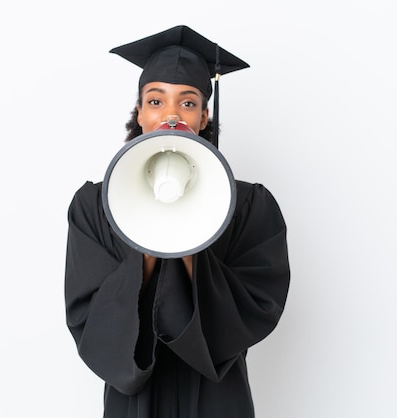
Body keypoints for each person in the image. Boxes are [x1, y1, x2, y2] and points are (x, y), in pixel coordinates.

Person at [64, 25, 290, 418]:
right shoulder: (94, 205)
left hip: (218, 398)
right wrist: (148, 239)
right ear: (139, 113)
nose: (171, 114)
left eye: (187, 103)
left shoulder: (251, 205)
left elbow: (258, 307)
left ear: (204, 116)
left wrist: (191, 240)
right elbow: (88, 320)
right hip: (134, 401)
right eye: (155, 100)